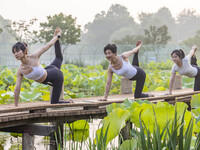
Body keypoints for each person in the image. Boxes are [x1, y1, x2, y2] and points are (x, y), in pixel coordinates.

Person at [12, 27, 73, 106]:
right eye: (14, 52)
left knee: (54, 103)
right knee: (59, 58)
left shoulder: (34, 56)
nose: (16, 54)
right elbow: (17, 89)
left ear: (24, 51)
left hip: (56, 75)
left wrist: (57, 36)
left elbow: (48, 45)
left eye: (18, 51)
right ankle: (57, 40)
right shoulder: (20, 71)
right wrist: (16, 106)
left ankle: (70, 101)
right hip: (48, 70)